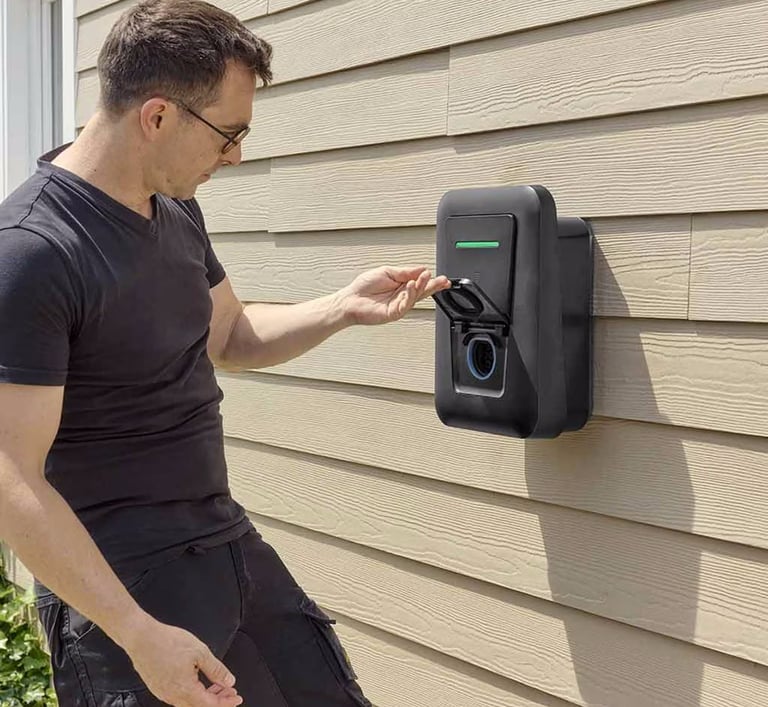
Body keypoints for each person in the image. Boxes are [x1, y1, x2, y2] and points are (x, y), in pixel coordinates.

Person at [0, 1, 450, 705]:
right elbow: (10, 478)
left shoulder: (175, 208)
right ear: (157, 117)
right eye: (227, 134)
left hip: (224, 546)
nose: (235, 155)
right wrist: (137, 632)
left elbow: (230, 335)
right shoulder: (32, 252)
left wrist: (341, 307)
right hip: (124, 590)